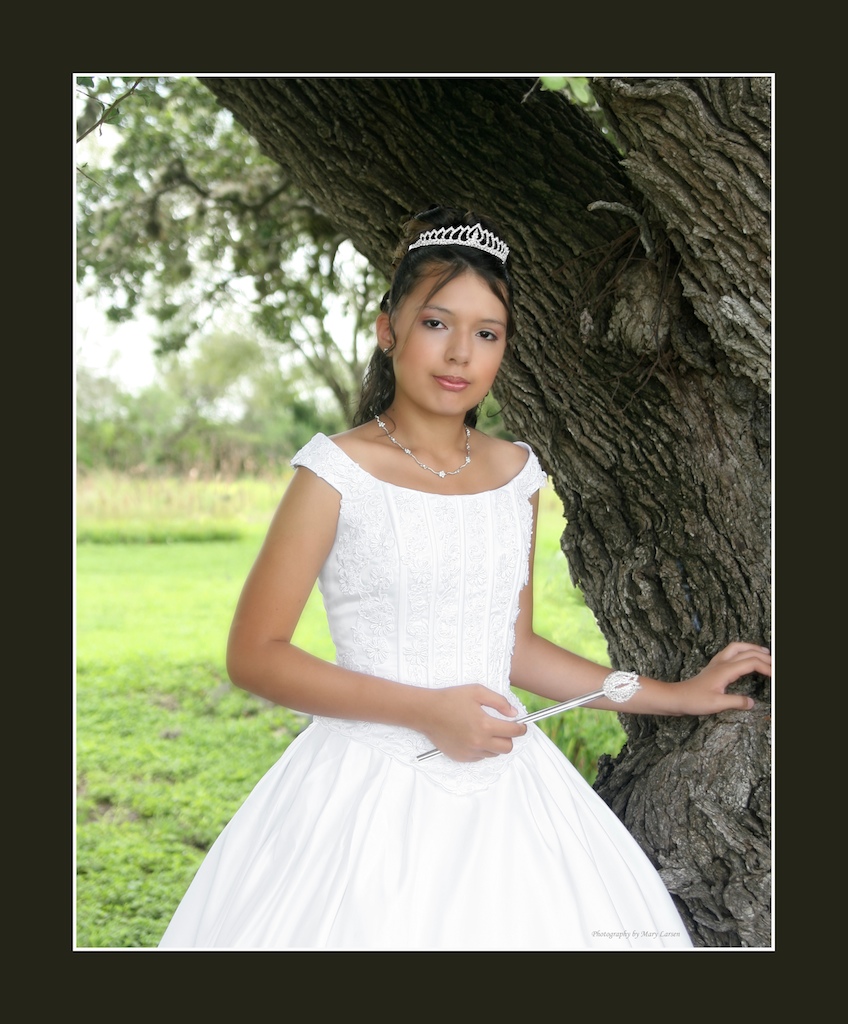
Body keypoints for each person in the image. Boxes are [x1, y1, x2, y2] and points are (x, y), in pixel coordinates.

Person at [158, 205, 771, 951]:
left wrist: (674, 696)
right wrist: (426, 711)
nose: (460, 355)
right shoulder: (335, 473)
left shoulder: (516, 474)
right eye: (437, 324)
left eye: (487, 333)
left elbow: (511, 648)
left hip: (508, 780)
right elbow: (254, 655)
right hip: (369, 781)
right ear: (389, 330)